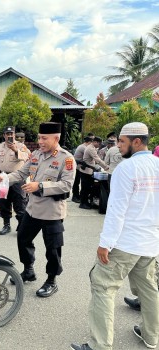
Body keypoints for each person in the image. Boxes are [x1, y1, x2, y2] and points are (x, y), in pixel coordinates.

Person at [71, 122, 159, 350]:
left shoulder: (126, 169)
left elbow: (116, 210)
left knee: (103, 287)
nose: (117, 146)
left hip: (125, 243)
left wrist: (105, 244)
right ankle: (152, 337)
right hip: (150, 243)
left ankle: (100, 345)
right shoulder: (157, 165)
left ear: (136, 141)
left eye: (122, 141)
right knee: (149, 289)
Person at [0, 122, 75, 297]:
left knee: (53, 249)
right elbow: (20, 173)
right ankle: (28, 270)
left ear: (56, 138)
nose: (40, 141)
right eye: (39, 137)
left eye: (44, 138)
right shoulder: (36, 155)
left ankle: (51, 281)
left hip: (52, 212)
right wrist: (5, 178)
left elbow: (66, 185)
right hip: (33, 209)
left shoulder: (66, 158)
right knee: (23, 238)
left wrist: (39, 186)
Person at [0, 126, 30, 235]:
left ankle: (21, 226)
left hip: (17, 179)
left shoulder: (21, 146)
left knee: (20, 204)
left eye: (11, 133)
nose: (9, 136)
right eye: (7, 134)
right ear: (4, 135)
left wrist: (16, 150)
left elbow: (28, 157)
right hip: (3, 179)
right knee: (3, 203)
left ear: (14, 134)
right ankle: (6, 225)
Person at [79, 136, 109, 209]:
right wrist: (105, 167)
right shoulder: (91, 149)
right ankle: (83, 203)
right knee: (85, 188)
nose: (99, 145)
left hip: (88, 170)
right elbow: (97, 159)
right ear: (95, 142)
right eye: (99, 144)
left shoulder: (92, 147)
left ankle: (85, 202)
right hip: (86, 170)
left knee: (87, 188)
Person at [71, 136, 93, 203]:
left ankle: (77, 196)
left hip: (78, 166)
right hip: (77, 166)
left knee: (77, 182)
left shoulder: (82, 146)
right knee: (76, 182)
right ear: (89, 142)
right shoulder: (84, 148)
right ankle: (75, 196)